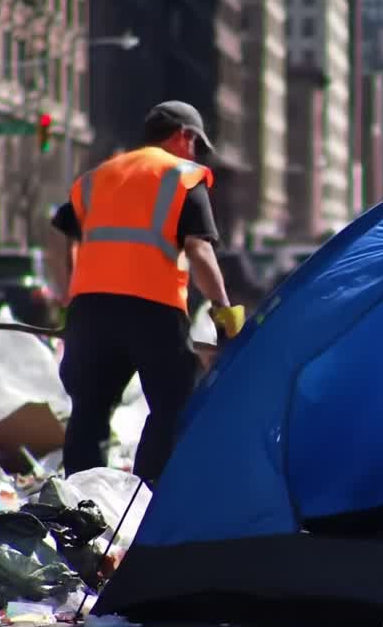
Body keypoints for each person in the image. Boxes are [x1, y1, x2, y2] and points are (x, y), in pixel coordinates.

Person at [49, 101, 244, 486]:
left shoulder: (98, 176)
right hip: (152, 311)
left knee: (89, 412)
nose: (196, 154)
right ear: (183, 136)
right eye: (196, 144)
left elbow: (61, 241)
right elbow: (199, 250)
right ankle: (146, 503)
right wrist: (223, 311)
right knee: (172, 407)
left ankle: (80, 507)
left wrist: (69, 296)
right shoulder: (183, 176)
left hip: (90, 311)